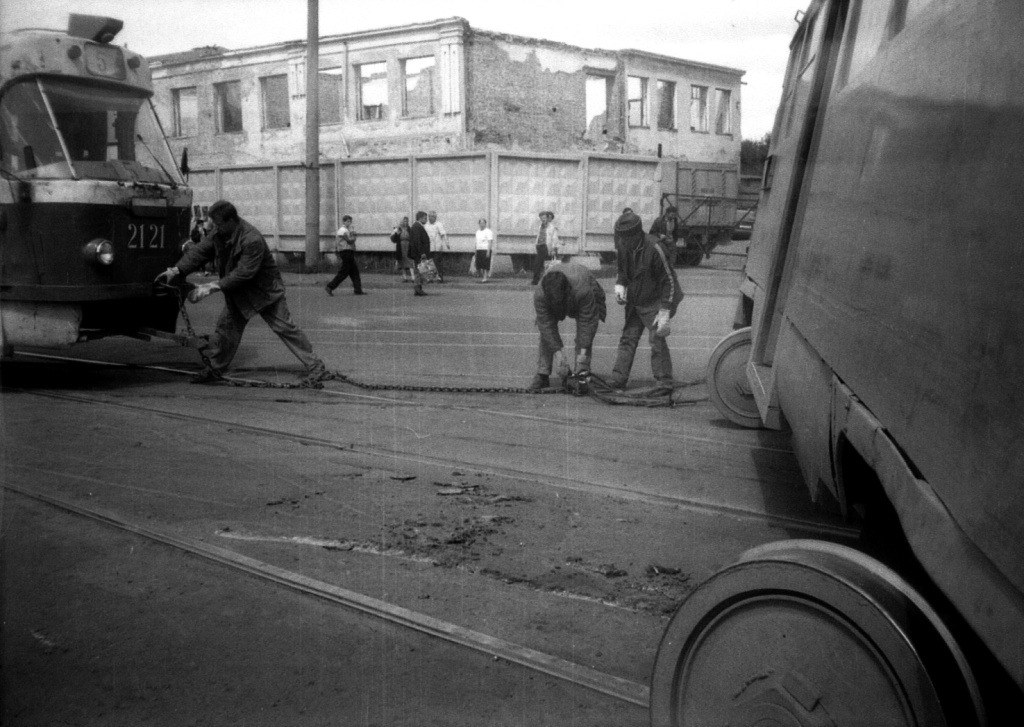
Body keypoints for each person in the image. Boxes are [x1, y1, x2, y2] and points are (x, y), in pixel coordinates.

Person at [155, 200, 328, 384]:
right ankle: (215, 369)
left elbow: (244, 273)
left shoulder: (251, 239)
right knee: (226, 332)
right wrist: (177, 270)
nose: (215, 228)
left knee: (285, 328)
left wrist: (210, 287)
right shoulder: (219, 233)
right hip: (238, 293)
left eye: (218, 224)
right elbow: (200, 252)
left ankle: (316, 367)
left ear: (231, 220)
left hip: (265, 293)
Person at [606, 209, 684, 390]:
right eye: (621, 238)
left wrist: (664, 310)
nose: (622, 242)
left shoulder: (656, 248)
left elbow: (669, 282)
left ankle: (664, 381)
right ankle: (618, 378)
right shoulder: (624, 246)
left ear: (636, 234)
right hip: (636, 299)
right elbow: (623, 271)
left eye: (626, 238)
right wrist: (620, 284)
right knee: (628, 338)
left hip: (657, 300)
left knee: (657, 339)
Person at [529, 260, 606, 390]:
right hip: (562, 295)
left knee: (585, 334)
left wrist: (583, 355)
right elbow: (547, 327)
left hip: (583, 291)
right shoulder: (540, 295)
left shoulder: (584, 290)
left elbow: (587, 326)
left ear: (567, 291)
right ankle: (543, 373)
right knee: (545, 332)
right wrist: (559, 356)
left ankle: (582, 372)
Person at [325, 214, 364, 296]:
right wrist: (354, 236)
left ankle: (358, 290)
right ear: (344, 221)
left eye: (350, 221)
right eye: (348, 221)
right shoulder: (343, 230)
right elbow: (349, 240)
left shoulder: (346, 230)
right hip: (345, 252)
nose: (349, 223)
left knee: (354, 272)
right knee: (344, 271)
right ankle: (330, 286)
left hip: (348, 251)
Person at [530, 211, 560, 285]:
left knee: (547, 264)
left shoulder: (552, 227)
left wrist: (553, 249)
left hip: (546, 247)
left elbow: (554, 238)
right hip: (539, 246)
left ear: (547, 218)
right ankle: (537, 280)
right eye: (541, 218)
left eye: (544, 218)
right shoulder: (540, 226)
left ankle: (542, 281)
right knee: (538, 264)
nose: (543, 219)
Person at [423, 210, 450, 283]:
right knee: (429, 263)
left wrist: (447, 243)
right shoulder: (426, 225)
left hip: (437, 247)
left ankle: (440, 278)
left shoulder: (439, 224)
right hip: (428, 247)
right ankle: (430, 278)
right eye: (429, 216)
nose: (431, 218)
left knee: (437, 263)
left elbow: (443, 234)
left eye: (432, 216)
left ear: (435, 217)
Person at [408, 211, 430, 296]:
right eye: (425, 218)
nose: (426, 220)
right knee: (419, 271)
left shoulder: (417, 226)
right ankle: (418, 288)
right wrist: (422, 253)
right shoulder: (417, 226)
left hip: (417, 253)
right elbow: (417, 241)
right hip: (418, 253)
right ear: (420, 218)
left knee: (419, 270)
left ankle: (418, 288)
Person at [391, 217, 413, 282]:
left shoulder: (409, 229)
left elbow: (412, 237)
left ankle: (413, 277)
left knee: (410, 261)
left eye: (406, 221)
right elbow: (393, 240)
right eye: (404, 221)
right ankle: (405, 277)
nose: (405, 222)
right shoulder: (398, 229)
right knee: (402, 262)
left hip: (408, 246)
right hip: (401, 247)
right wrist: (396, 234)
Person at [474, 218, 494, 282]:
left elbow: (490, 242)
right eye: (480, 223)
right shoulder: (477, 232)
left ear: (485, 224)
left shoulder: (488, 231)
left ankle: (485, 277)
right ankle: (481, 276)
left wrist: (488, 251)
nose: (482, 224)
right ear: (479, 224)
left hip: (485, 249)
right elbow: (476, 242)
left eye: (483, 223)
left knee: (485, 264)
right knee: (479, 264)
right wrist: (475, 251)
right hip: (479, 249)